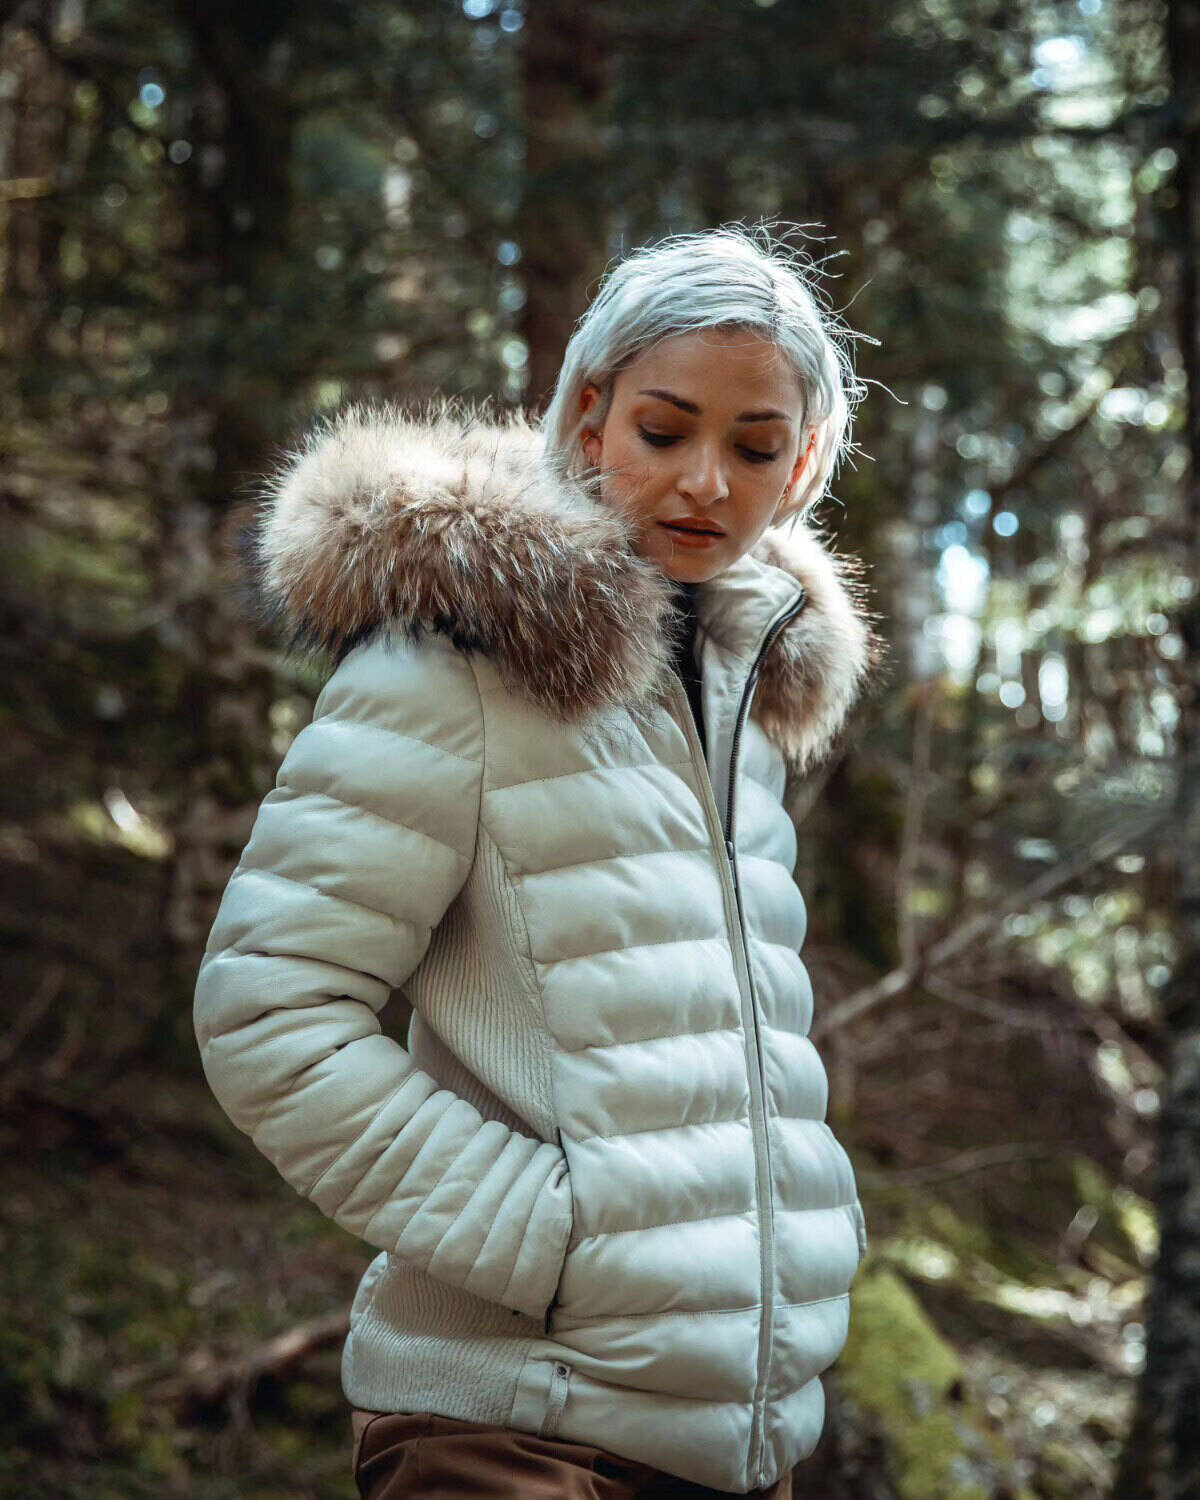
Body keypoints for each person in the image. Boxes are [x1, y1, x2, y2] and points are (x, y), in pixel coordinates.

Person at [194, 222, 879, 1498]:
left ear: (805, 467)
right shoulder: (450, 668)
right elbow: (269, 1014)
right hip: (510, 1437)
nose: (704, 483)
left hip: (741, 1446)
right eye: (663, 431)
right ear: (585, 418)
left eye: (754, 447)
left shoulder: (745, 709)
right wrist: (551, 1238)